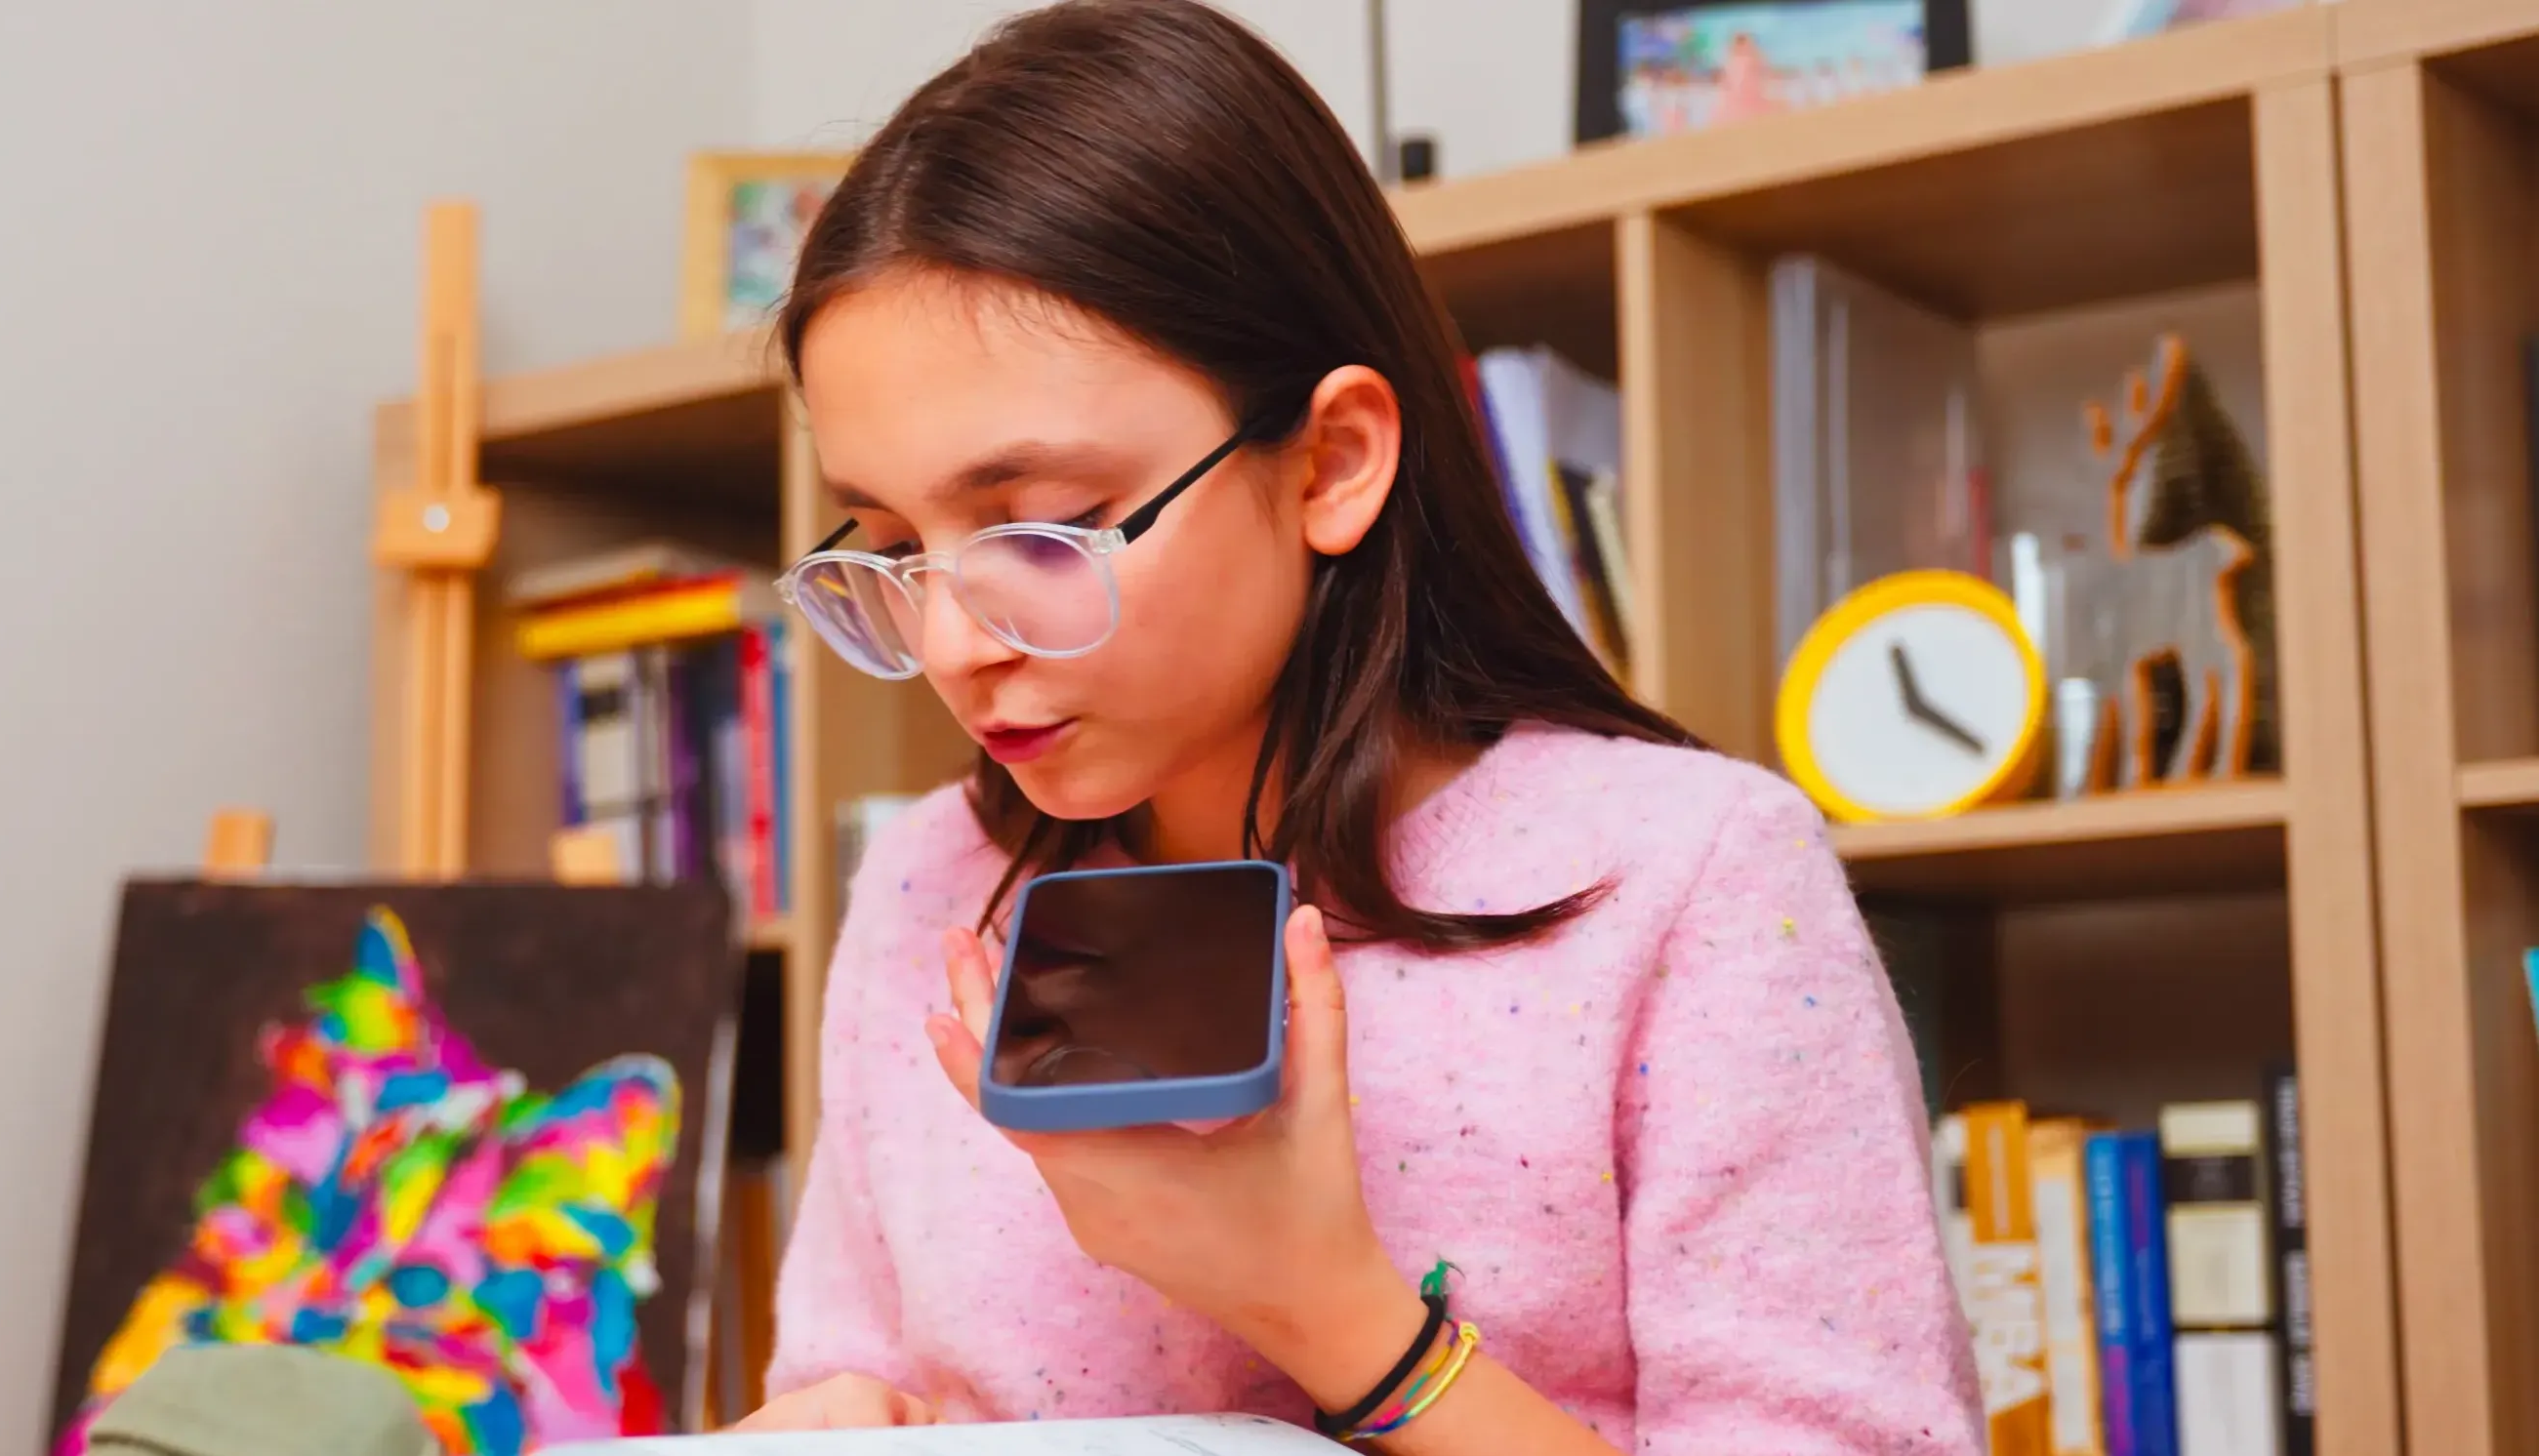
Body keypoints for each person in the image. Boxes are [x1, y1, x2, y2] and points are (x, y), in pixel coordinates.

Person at [735, 2, 1980, 1450]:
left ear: (1331, 461)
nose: (953, 646)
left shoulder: (1692, 882)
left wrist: (1336, 1320)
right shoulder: (928, 891)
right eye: (890, 544)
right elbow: (843, 1376)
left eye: (1048, 530)